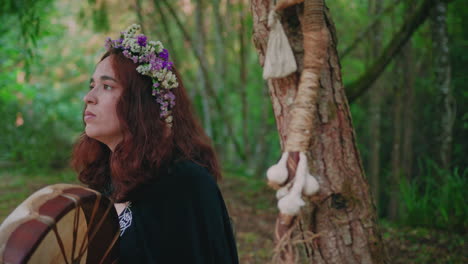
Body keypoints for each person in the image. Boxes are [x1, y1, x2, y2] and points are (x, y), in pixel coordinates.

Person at [71, 24, 239, 263]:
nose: (89, 97)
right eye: (92, 86)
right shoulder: (106, 180)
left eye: (107, 86)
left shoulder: (184, 183)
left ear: (142, 103)